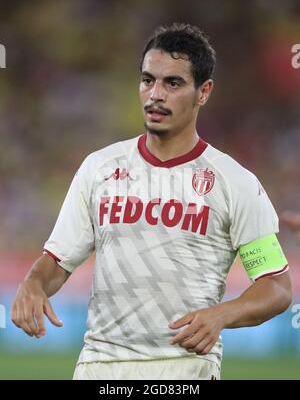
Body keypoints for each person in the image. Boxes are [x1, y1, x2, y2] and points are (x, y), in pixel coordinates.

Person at [12, 23, 292, 380]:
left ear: (203, 92)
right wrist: (33, 284)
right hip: (100, 367)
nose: (155, 94)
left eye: (172, 83)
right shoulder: (99, 168)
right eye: (148, 80)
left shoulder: (234, 182)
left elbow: (277, 286)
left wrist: (221, 315)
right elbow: (57, 260)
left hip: (185, 371)